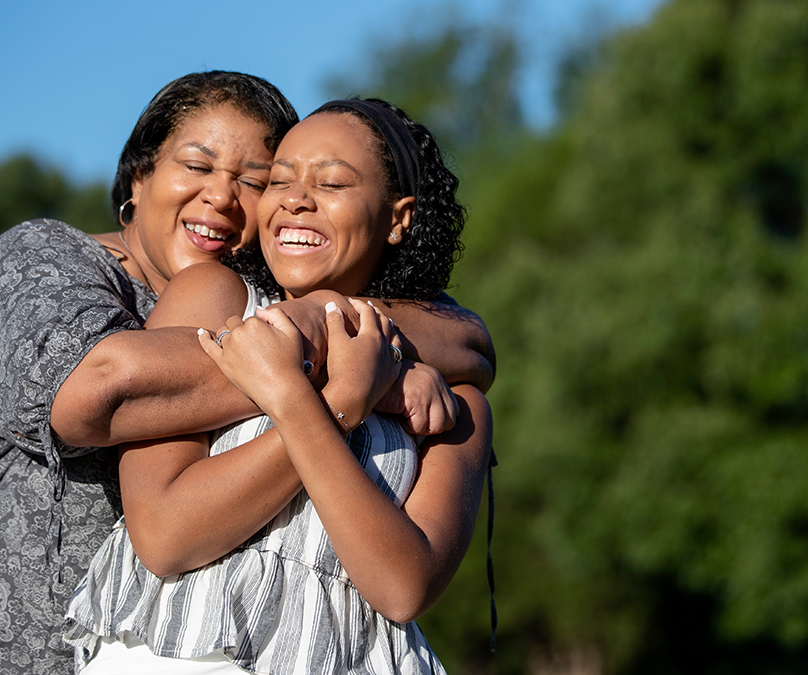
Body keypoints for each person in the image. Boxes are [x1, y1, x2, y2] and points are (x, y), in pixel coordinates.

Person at [0, 72, 493, 674]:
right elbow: (93, 395)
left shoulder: (344, 333)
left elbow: (473, 343)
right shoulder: (52, 262)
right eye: (196, 166)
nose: (222, 196)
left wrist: (356, 346)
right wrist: (344, 375)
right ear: (138, 176)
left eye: (253, 179)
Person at [63, 99, 492, 674]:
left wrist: (299, 395)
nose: (296, 199)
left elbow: (401, 587)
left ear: (399, 218)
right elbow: (165, 539)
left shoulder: (452, 401)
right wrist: (339, 398)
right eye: (279, 181)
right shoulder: (214, 301)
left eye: (333, 182)